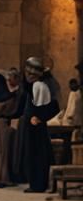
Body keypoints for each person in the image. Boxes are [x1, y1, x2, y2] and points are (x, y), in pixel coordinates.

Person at [21, 57, 60, 193]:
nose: (28, 76)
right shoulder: (36, 86)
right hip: (34, 126)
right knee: (36, 154)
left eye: (30, 74)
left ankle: (37, 185)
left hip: (35, 127)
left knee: (36, 155)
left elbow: (49, 107)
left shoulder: (38, 86)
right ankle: (37, 183)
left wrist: (38, 117)